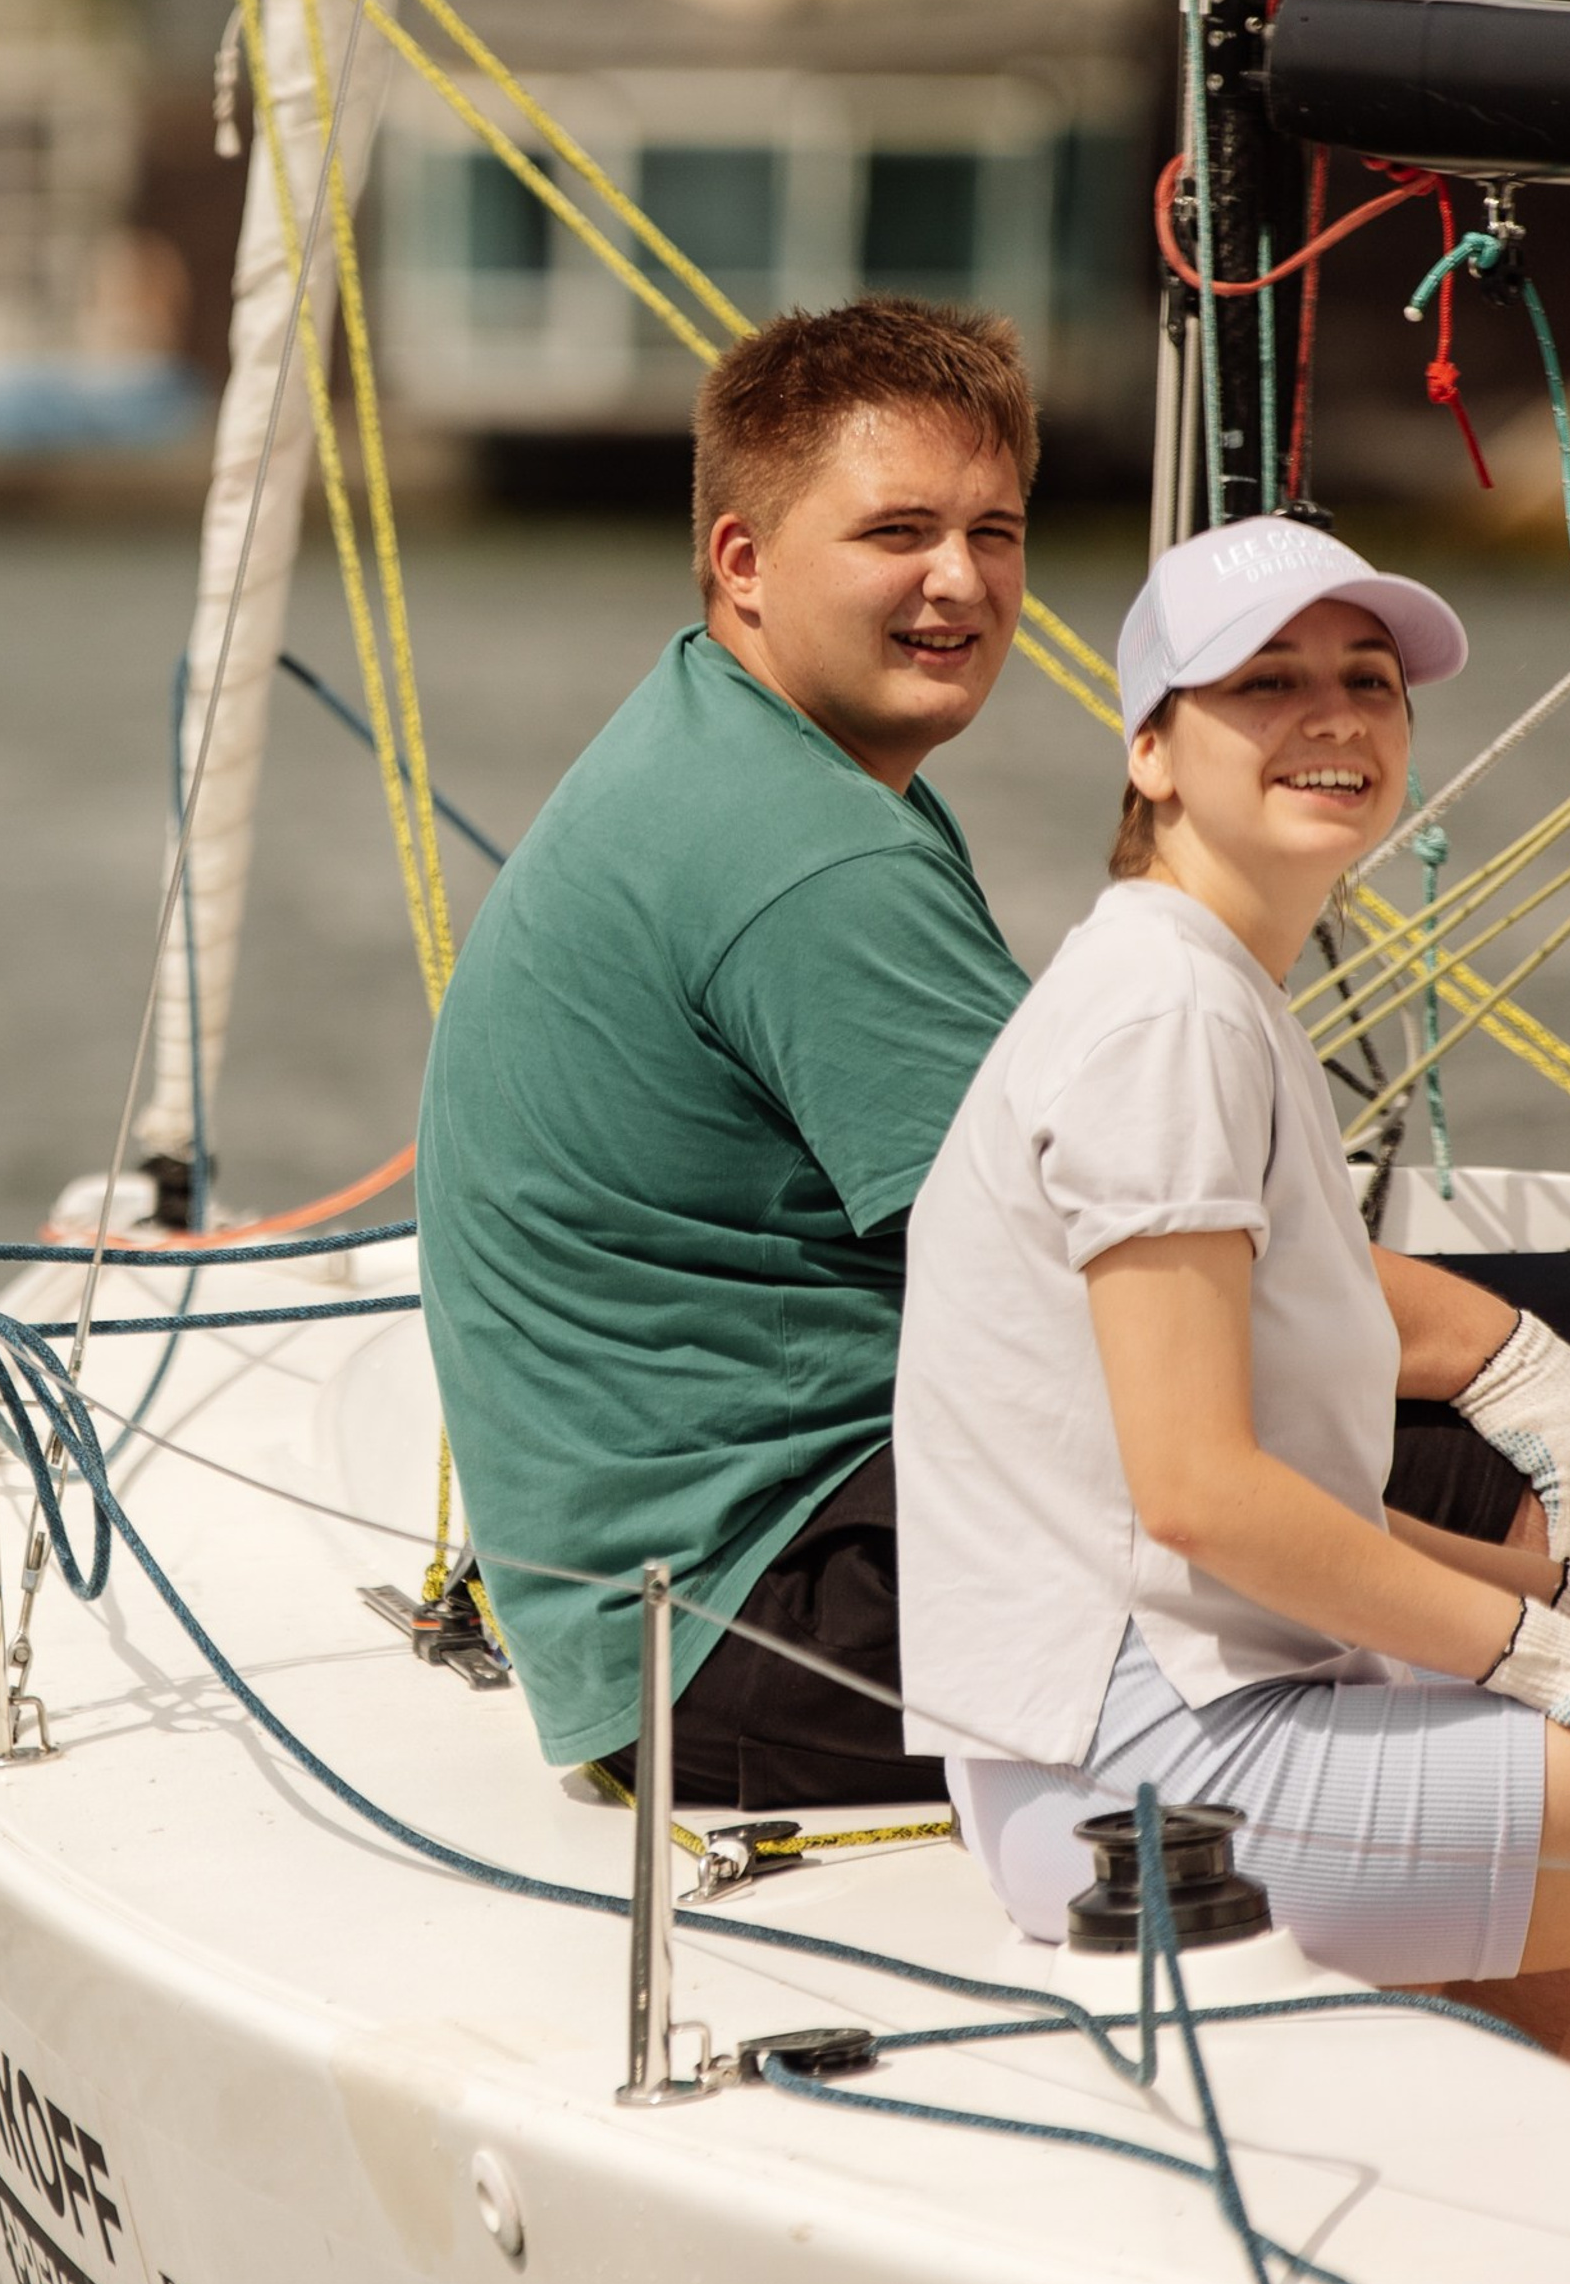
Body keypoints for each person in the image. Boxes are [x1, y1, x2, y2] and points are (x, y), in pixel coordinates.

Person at [416, 299, 1570, 1812]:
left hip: (687, 1571)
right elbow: (1080, 1257)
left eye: (995, 532)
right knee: (1458, 1425)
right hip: (749, 1616)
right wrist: (1516, 1362)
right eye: (897, 533)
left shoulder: (753, 747)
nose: (959, 580)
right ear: (742, 561)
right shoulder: (811, 854)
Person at [895, 516, 1570, 1989]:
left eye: (1369, 679)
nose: (1335, 715)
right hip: (1154, 1781)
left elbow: (1293, 1514)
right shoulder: (1171, 1016)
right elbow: (1201, 1498)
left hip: (1152, 1741)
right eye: (1266, 682)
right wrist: (1539, 1662)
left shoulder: (1198, 984)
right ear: (1151, 751)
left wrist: (1543, 1597)